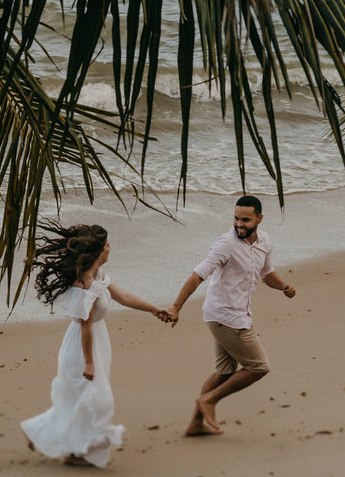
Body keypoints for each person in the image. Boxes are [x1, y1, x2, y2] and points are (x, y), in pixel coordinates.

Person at [21, 222, 171, 468]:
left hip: (97, 341)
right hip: (81, 348)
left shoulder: (98, 276)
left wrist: (154, 309)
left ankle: (56, 442)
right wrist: (89, 362)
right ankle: (69, 447)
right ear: (98, 252)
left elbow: (123, 297)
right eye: (108, 245)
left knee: (80, 400)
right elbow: (84, 326)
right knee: (97, 400)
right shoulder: (85, 285)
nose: (110, 249)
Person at [162, 194, 297, 436]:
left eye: (245, 219)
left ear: (259, 218)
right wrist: (175, 306)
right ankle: (209, 400)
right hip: (225, 316)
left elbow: (267, 274)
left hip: (237, 314)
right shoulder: (226, 244)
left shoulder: (265, 241)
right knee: (258, 367)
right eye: (236, 218)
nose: (239, 224)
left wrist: (284, 287)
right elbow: (198, 275)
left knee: (224, 372)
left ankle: (195, 423)